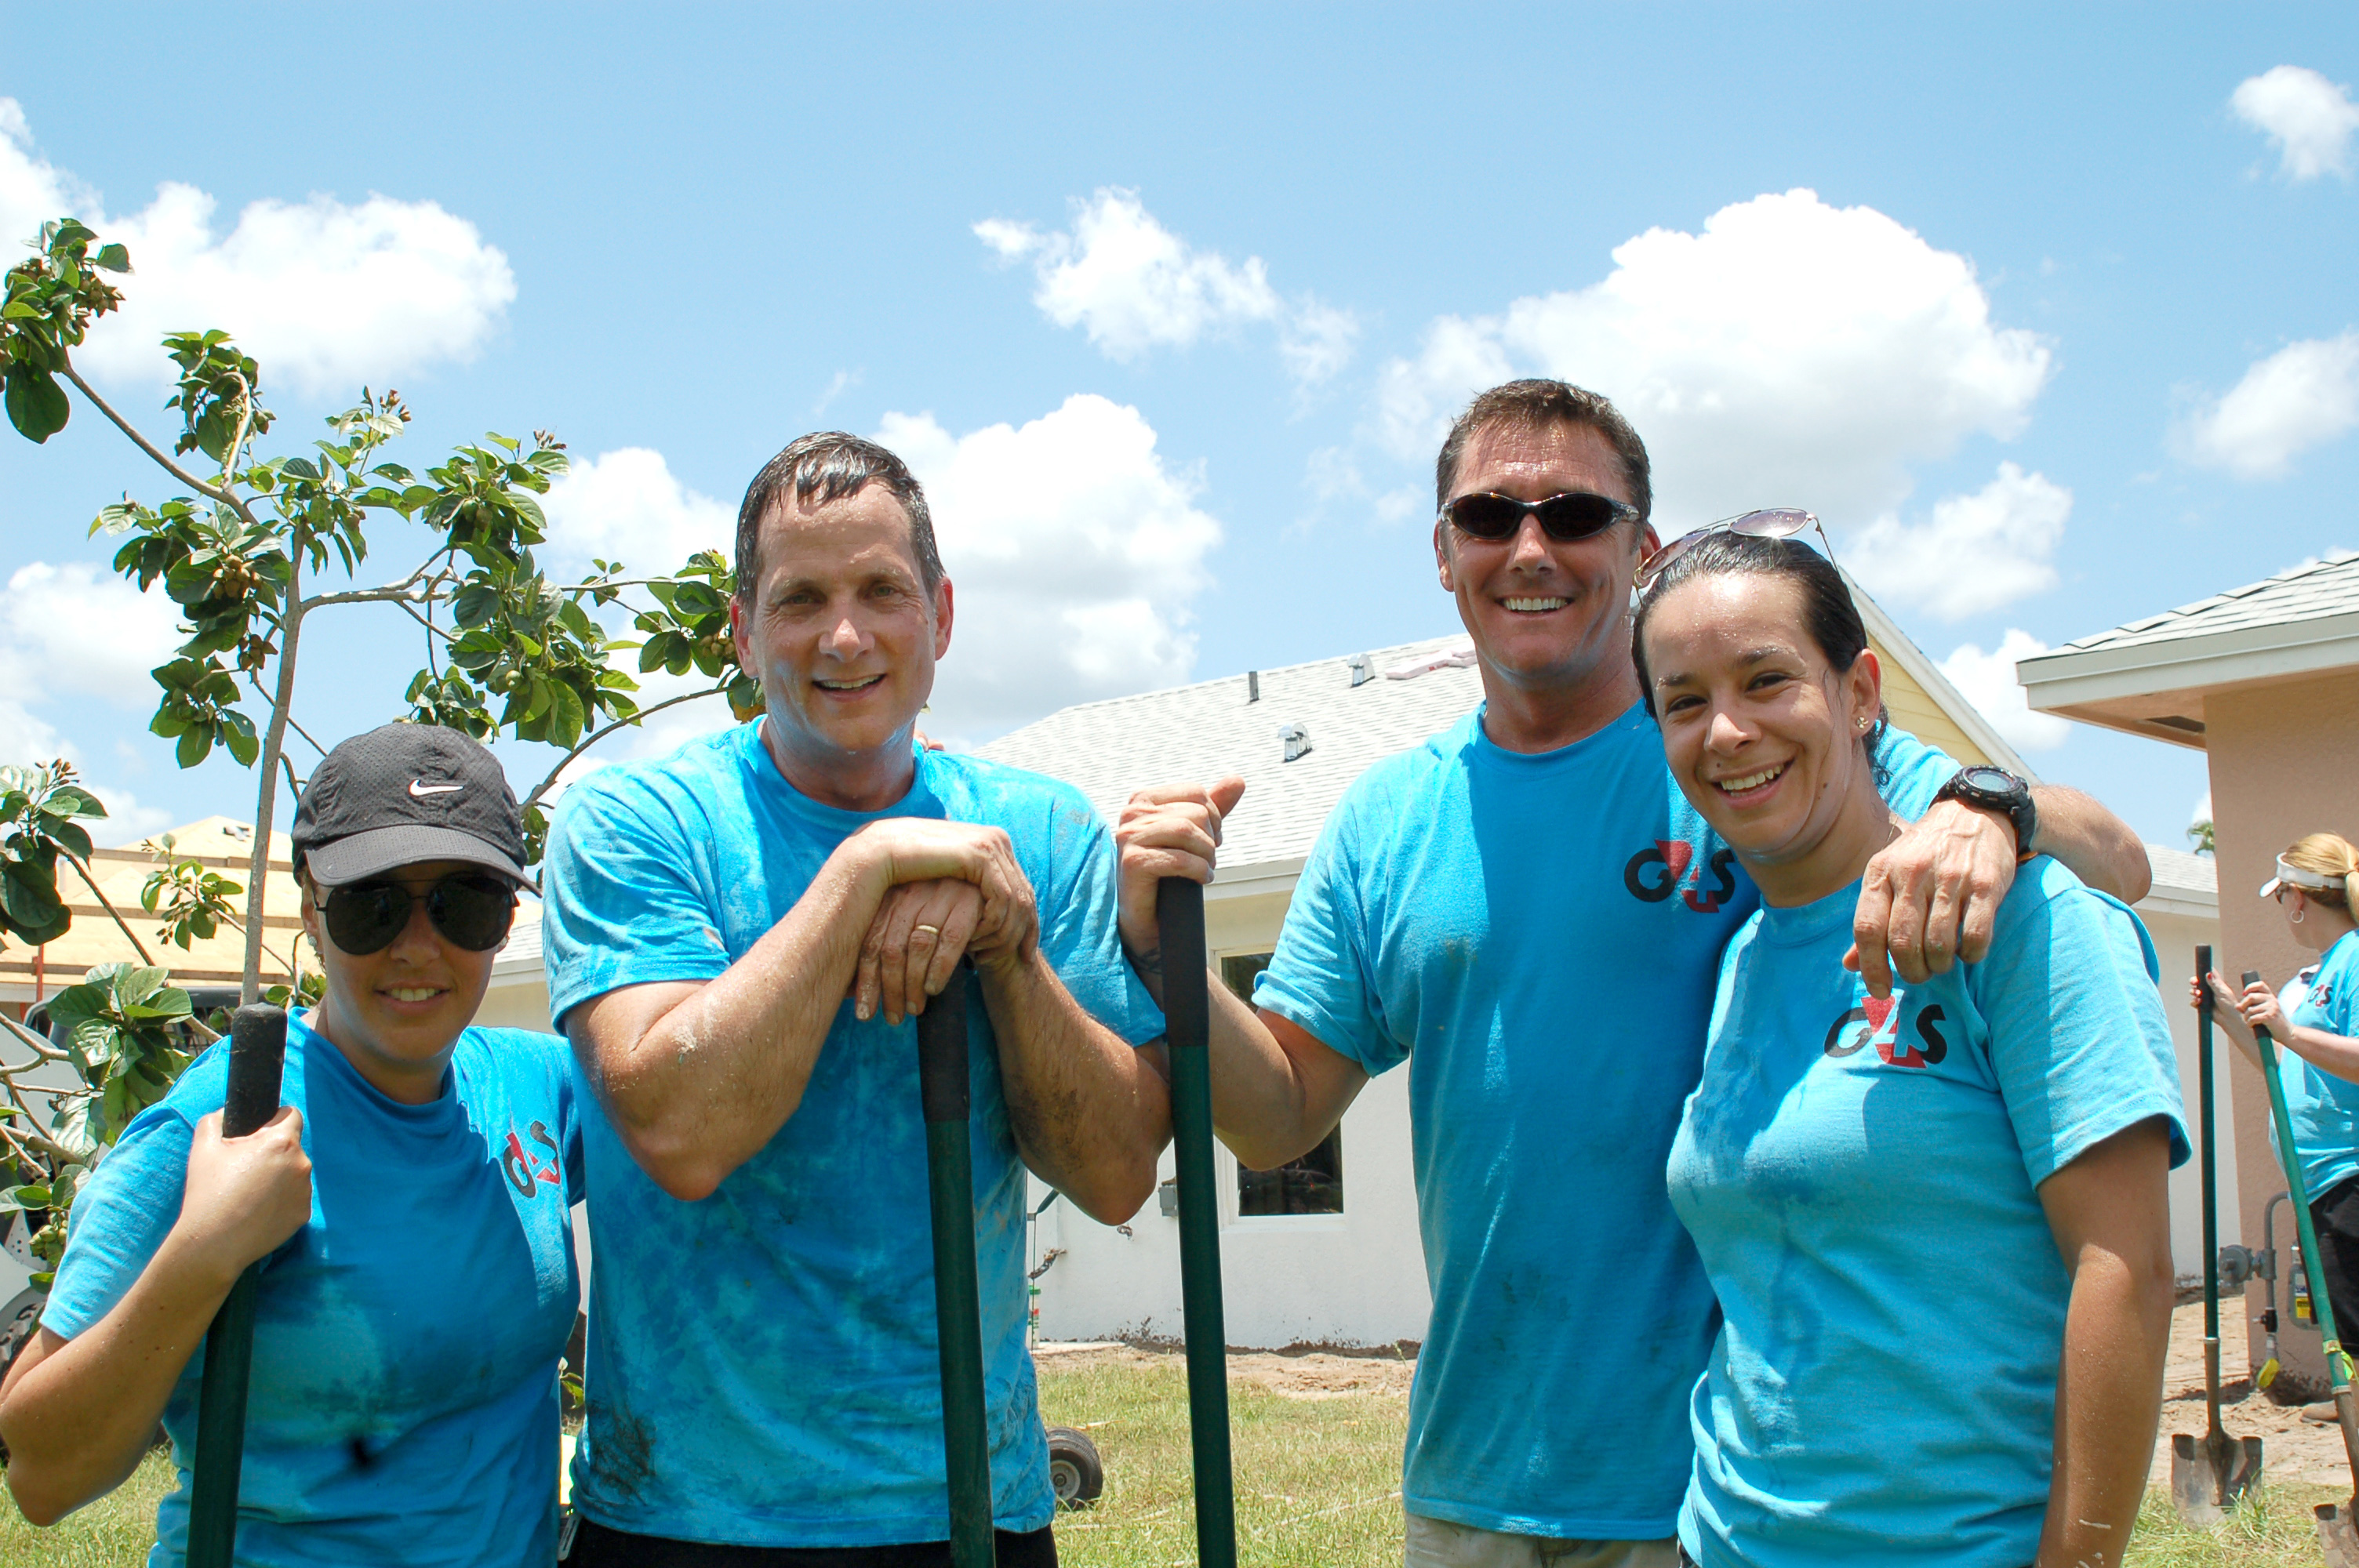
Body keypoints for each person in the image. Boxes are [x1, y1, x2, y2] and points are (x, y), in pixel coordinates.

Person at [1114, 379, 2154, 1566]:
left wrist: (1991, 806)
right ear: (1443, 553)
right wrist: (1163, 955)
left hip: (1703, 1493)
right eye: (1488, 516)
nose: (1530, 547)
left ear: (1642, 549)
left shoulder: (1751, 761)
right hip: (1472, 1475)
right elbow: (1276, 1116)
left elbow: (2114, 859)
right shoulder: (1385, 820)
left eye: (1573, 513)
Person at [542, 431, 1168, 1566]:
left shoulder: (1040, 829)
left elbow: (1117, 1173)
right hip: (681, 1517)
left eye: (882, 591)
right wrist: (860, 872)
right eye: (801, 600)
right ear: (742, 632)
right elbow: (681, 1132)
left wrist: (1010, 952)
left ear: (940, 614)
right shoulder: (640, 822)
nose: (845, 635)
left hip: (968, 1510)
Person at [1635, 526, 2181, 1567]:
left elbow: (2126, 1270)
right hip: (1724, 1540)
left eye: (1766, 678)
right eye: (1685, 701)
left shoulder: (2024, 917)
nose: (1728, 730)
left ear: (1858, 693)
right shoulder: (1739, 958)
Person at [0, 723, 580, 1565]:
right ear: (311, 908)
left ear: (508, 917)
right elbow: (42, 1479)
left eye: (466, 903)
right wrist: (204, 1251)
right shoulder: (222, 1124)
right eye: (372, 903)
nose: (418, 945)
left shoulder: (541, 1087)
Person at [2198, 832, 2359, 1422]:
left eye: (2280, 896)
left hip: (2351, 1172)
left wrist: (2288, 1030)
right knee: (2346, 1322)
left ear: (2298, 898)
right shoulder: (2310, 978)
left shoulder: (2356, 958)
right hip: (2317, 1178)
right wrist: (2226, 1015)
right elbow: (2286, 1066)